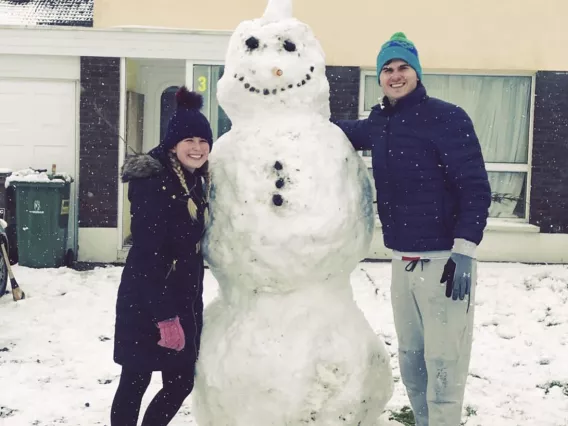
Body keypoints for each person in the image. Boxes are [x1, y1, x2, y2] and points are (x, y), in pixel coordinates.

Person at [334, 32, 492, 426]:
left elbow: (475, 187)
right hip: (402, 260)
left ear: (417, 73)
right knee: (413, 360)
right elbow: (339, 132)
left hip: (445, 263)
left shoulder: (447, 117)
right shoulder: (381, 124)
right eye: (387, 69)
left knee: (445, 363)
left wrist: (464, 249)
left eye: (403, 67)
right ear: (380, 78)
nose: (395, 75)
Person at [111, 87, 212, 426]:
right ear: (173, 144)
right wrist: (165, 318)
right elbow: (147, 257)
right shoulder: (155, 182)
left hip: (181, 297)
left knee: (180, 381)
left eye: (203, 141)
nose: (197, 148)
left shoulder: (195, 178)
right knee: (136, 381)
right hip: (147, 300)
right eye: (189, 140)